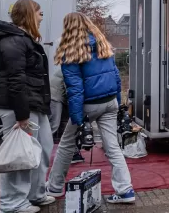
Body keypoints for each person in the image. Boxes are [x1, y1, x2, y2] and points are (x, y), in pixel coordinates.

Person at [46, 13, 135, 204]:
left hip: (88, 104)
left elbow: (75, 89)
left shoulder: (71, 51)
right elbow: (116, 77)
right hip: (110, 101)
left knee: (66, 145)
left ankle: (54, 187)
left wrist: (78, 119)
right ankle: (125, 189)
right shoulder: (103, 44)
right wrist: (118, 105)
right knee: (112, 146)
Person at [0, 0, 56, 213]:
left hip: (32, 104)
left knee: (42, 148)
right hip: (19, 106)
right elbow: (16, 80)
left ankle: (35, 194)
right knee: (18, 154)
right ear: (29, 14)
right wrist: (22, 114)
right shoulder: (14, 42)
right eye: (39, 13)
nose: (42, 17)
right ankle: (12, 203)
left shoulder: (21, 40)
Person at [48, 37, 85, 164]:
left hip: (61, 95)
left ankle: (72, 153)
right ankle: (42, 152)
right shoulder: (69, 66)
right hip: (55, 95)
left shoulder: (72, 65)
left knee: (65, 125)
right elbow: (69, 88)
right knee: (54, 124)